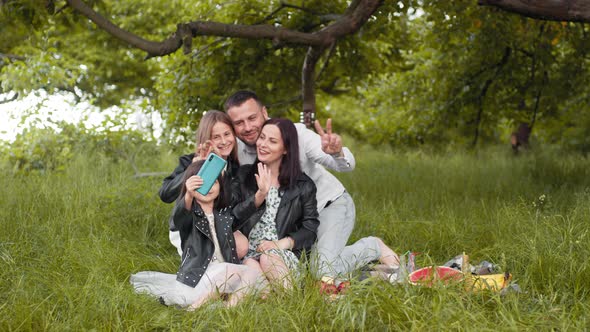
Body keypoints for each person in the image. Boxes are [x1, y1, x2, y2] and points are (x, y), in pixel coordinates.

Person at [224, 90, 399, 281]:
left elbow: (342, 164)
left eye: (252, 118)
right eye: (239, 123)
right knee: (306, 271)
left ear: (264, 113)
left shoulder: (296, 133)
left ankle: (372, 247)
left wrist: (336, 152)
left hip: (328, 206)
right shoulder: (236, 151)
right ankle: (370, 272)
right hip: (293, 224)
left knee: (321, 269)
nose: (247, 127)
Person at [131, 160, 265, 309]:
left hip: (222, 278)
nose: (208, 188)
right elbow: (180, 217)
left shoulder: (223, 218)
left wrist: (261, 194)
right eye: (200, 184)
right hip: (197, 280)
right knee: (231, 270)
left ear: (220, 187)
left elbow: (242, 211)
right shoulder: (190, 217)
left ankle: (229, 308)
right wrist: (188, 194)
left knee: (251, 271)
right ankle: (194, 309)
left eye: (213, 183)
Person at [231, 118, 320, 289]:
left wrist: (280, 244)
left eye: (272, 141)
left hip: (280, 253)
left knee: (268, 257)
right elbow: (231, 219)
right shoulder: (243, 176)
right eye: (262, 137)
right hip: (248, 253)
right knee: (250, 264)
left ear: (286, 149)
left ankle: (295, 305)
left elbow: (310, 230)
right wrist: (259, 196)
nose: (263, 144)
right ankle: (272, 296)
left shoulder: (303, 185)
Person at [158, 110, 247, 257]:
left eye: (227, 134)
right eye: (216, 137)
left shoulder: (236, 169)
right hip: (190, 225)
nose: (224, 141)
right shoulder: (188, 161)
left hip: (219, 223)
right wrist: (193, 168)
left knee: (242, 246)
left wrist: (221, 172)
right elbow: (165, 194)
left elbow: (233, 203)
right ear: (206, 139)